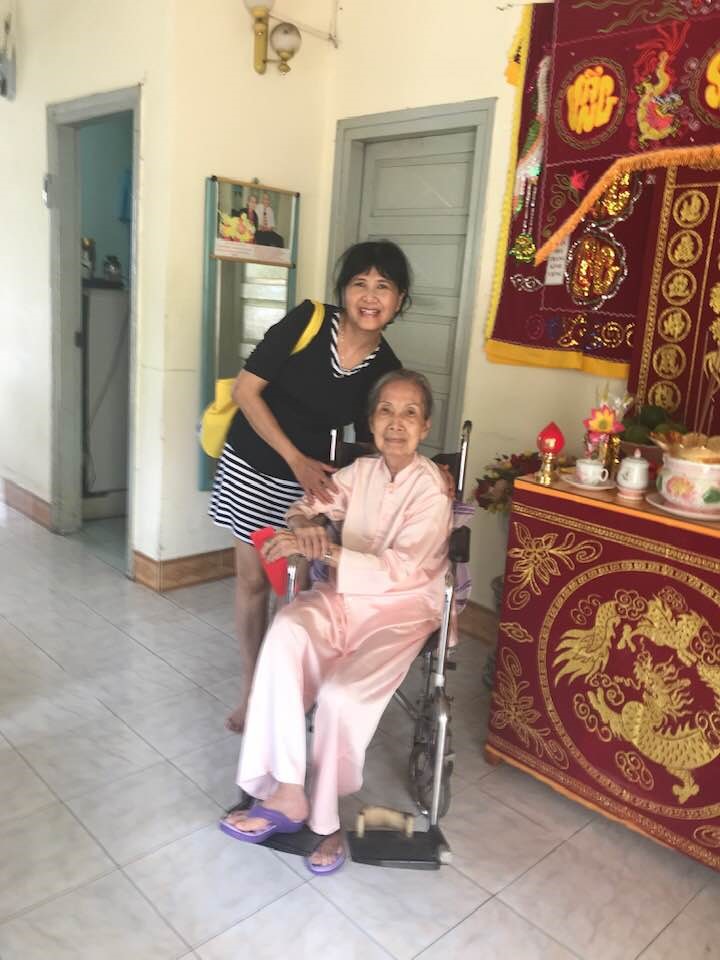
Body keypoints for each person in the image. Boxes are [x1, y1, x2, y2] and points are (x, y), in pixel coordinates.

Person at [220, 370, 452, 874]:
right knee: (286, 631)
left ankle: (325, 820)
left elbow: (400, 570)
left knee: (341, 695)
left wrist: (326, 550)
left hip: (401, 610)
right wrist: (303, 526)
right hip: (344, 596)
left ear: (425, 427)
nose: (396, 423)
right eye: (386, 411)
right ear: (371, 421)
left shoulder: (432, 489)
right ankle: (286, 792)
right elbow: (307, 504)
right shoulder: (360, 472)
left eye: (410, 413)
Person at [208, 240, 411, 732]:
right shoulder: (308, 322)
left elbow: (375, 441)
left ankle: (284, 690)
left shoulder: (386, 369)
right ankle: (252, 689)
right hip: (253, 464)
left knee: (294, 591)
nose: (370, 296)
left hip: (309, 489)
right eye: (359, 283)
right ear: (343, 290)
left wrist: (417, 473)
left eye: (383, 286)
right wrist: (295, 458)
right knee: (253, 582)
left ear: (399, 300)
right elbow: (246, 392)